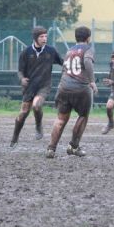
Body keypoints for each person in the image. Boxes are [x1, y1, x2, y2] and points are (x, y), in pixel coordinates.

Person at [46, 26, 97, 159]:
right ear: (88, 38)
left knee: (61, 119)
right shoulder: (88, 49)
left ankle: (51, 149)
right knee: (83, 116)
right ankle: (73, 146)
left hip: (64, 87)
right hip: (80, 87)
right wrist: (92, 81)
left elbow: (64, 69)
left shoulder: (69, 50)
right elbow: (87, 62)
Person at [10, 27, 63, 147]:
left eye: (45, 36)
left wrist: (72, 65)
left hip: (44, 85)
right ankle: (15, 137)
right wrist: (22, 79)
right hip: (29, 87)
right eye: (41, 37)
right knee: (23, 113)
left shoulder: (51, 51)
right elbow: (20, 71)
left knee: (36, 105)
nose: (45, 39)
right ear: (35, 38)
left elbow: (62, 62)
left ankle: (38, 125)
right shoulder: (26, 52)